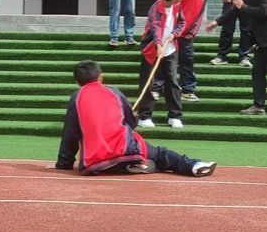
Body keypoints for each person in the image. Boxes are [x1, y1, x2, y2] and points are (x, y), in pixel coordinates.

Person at [56, 60, 217, 177]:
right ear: (101, 77)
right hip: (126, 148)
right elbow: (131, 123)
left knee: (108, 160)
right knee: (161, 154)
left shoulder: (76, 98)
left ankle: (124, 165)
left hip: (94, 161)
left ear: (77, 81)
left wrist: (64, 163)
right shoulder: (114, 92)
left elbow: (70, 133)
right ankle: (193, 165)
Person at [136, 0, 186, 128]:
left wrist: (174, 34)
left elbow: (182, 23)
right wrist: (158, 45)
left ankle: (174, 115)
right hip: (152, 49)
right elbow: (155, 27)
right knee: (148, 82)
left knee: (172, 82)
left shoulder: (178, 6)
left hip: (170, 49)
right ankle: (144, 116)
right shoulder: (156, 8)